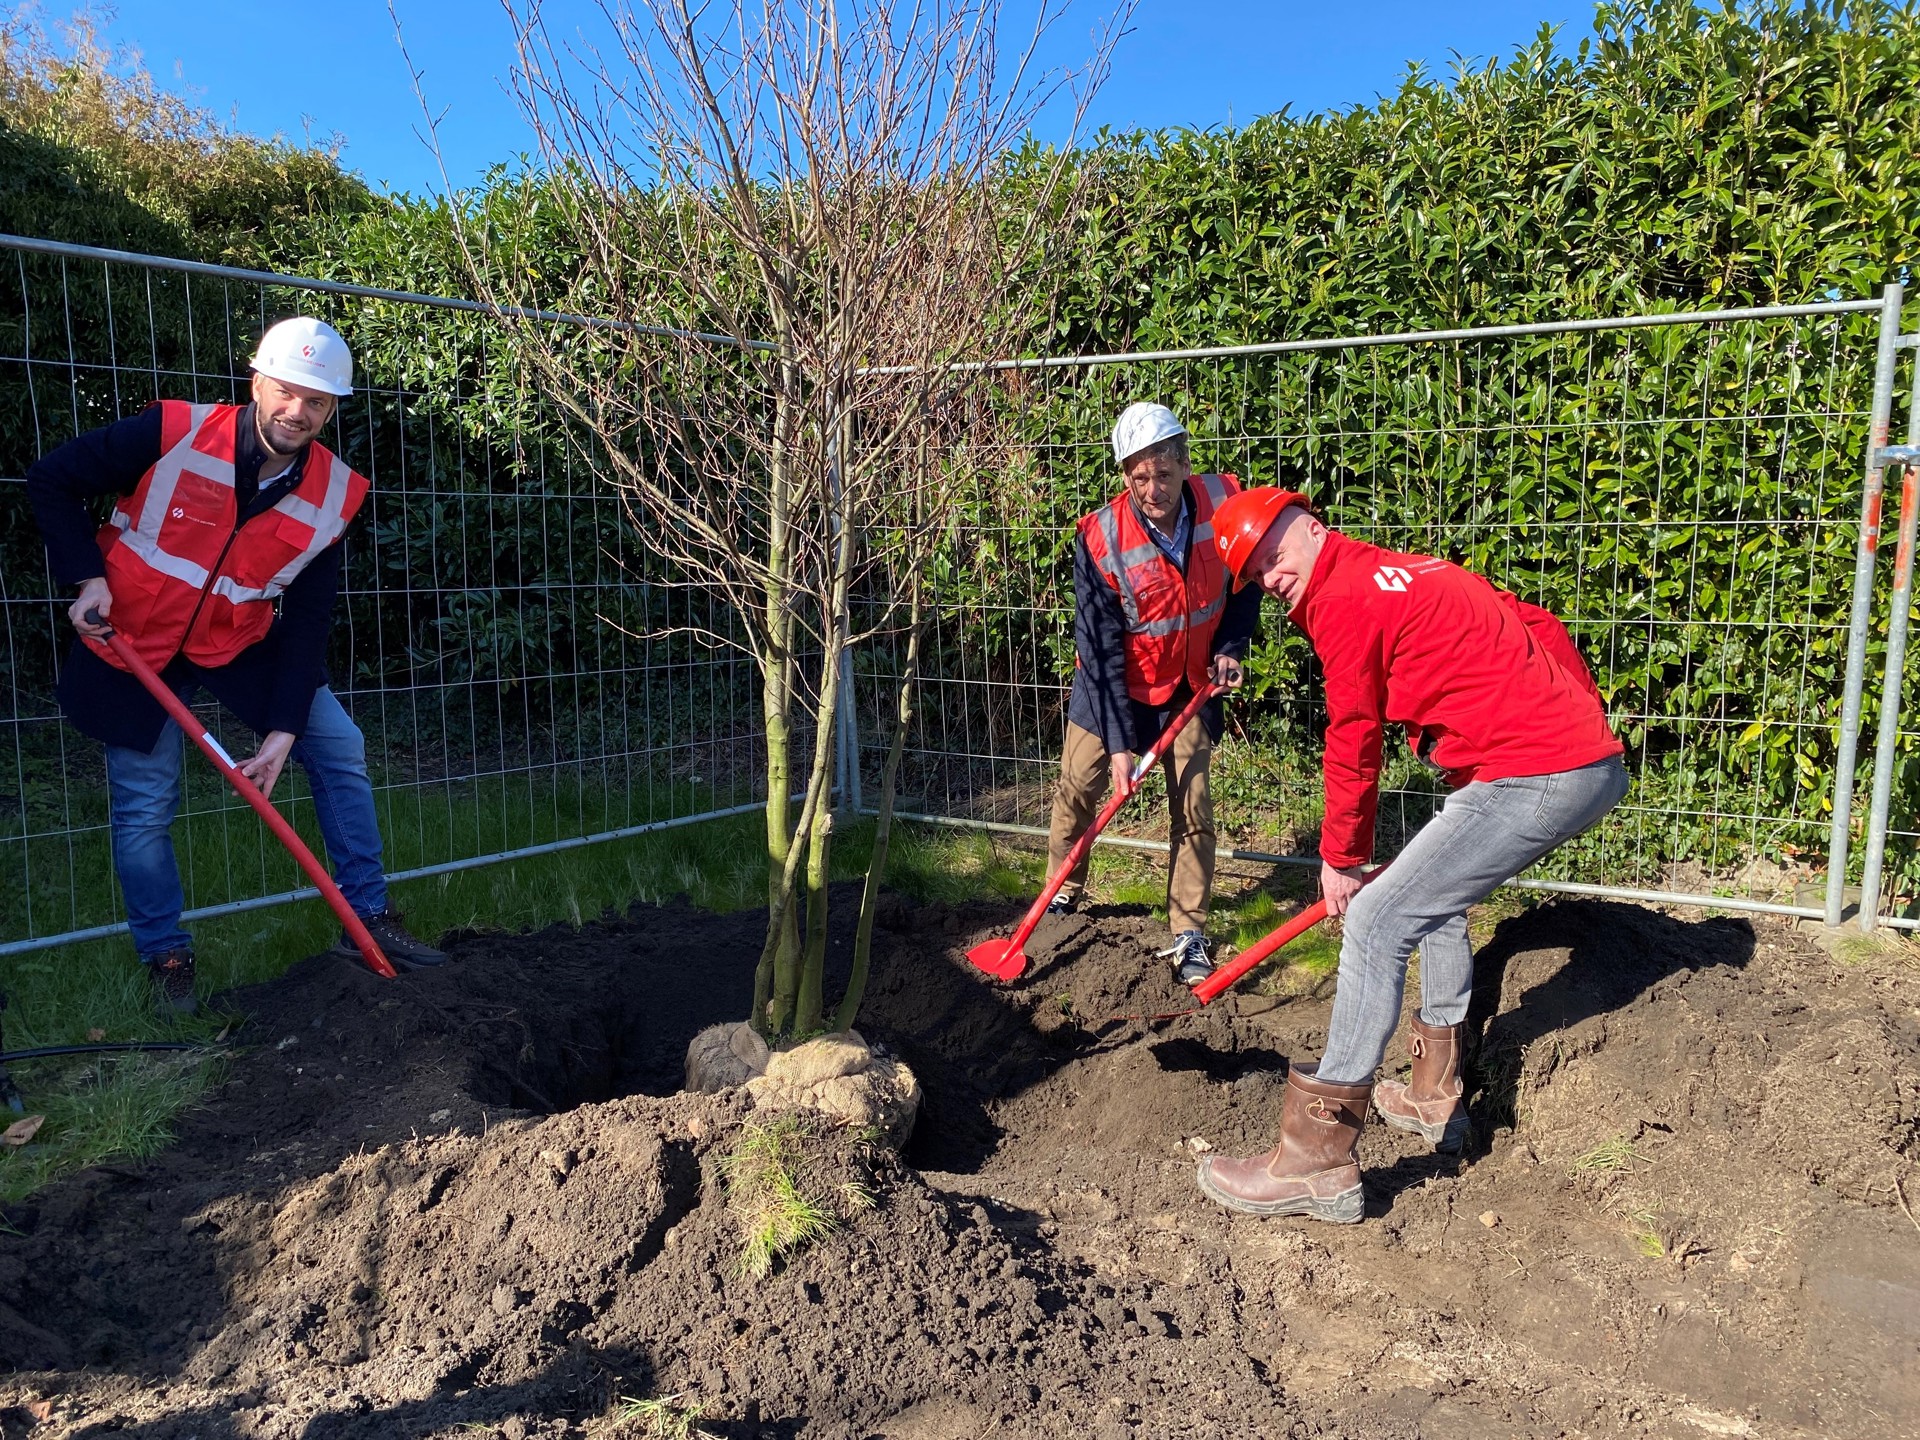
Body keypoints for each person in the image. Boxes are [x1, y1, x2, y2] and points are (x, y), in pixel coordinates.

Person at [1193, 488, 1627, 1223]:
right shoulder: (1408, 569)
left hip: (1541, 769)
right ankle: (1432, 1096)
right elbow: (1536, 624)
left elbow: (1354, 732)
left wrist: (1342, 858)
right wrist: (1580, 720)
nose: (1268, 576)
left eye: (1272, 553)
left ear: (1312, 527)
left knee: (1376, 920)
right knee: (1430, 897)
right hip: (1559, 761)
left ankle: (1314, 1162)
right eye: (1253, 574)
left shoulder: (1342, 599)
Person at [27, 317, 447, 1017]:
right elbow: (52, 480)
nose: (298, 412)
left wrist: (284, 729)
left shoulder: (334, 494)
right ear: (257, 382)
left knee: (336, 745)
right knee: (145, 805)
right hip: (133, 641)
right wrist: (85, 579)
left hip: (234, 644)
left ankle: (369, 916)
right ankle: (166, 955)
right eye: (286, 392)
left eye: (317, 402)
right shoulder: (173, 433)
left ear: (332, 407)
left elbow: (310, 618)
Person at [1045, 402, 1260, 987]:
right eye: (1139, 477)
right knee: (1079, 787)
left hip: (1190, 682)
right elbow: (1102, 648)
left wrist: (1233, 647)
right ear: (1124, 475)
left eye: (1163, 474)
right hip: (1112, 686)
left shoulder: (1221, 504)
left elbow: (1245, 584)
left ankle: (1189, 931)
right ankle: (1060, 899)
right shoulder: (1100, 539)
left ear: (1185, 464)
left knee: (1192, 805)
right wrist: (1120, 745)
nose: (1153, 488)